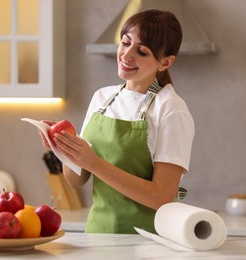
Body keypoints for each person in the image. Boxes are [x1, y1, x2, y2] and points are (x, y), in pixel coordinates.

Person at [41, 9, 194, 234]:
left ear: (165, 62)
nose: (126, 55)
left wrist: (94, 163)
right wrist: (64, 147)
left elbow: (162, 197)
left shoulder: (171, 108)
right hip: (98, 235)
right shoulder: (102, 98)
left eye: (141, 51)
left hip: (147, 243)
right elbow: (77, 179)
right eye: (125, 42)